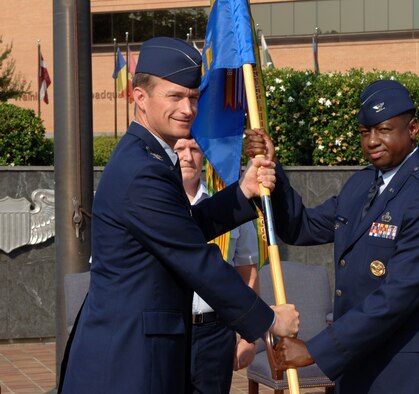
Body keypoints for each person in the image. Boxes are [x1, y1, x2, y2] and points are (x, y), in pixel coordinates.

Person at [59, 37, 299, 394]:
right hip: (129, 361)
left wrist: (243, 193)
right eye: (174, 96)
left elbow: (181, 229)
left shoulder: (148, 157)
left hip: (136, 351)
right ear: (140, 98)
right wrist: (267, 320)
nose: (187, 108)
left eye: (193, 97)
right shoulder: (143, 170)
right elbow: (194, 257)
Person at [245, 80, 419, 393]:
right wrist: (273, 170)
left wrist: (315, 350)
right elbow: (303, 227)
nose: (371, 141)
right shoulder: (361, 185)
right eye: (365, 132)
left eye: (383, 130)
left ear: (413, 128)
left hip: (413, 370)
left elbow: (397, 295)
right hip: (364, 362)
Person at [174, 137, 260, 393]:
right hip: (169, 330)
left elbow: (248, 274)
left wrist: (249, 336)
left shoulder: (231, 206)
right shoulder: (155, 207)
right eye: (179, 149)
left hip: (214, 333)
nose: (187, 156)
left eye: (194, 149)